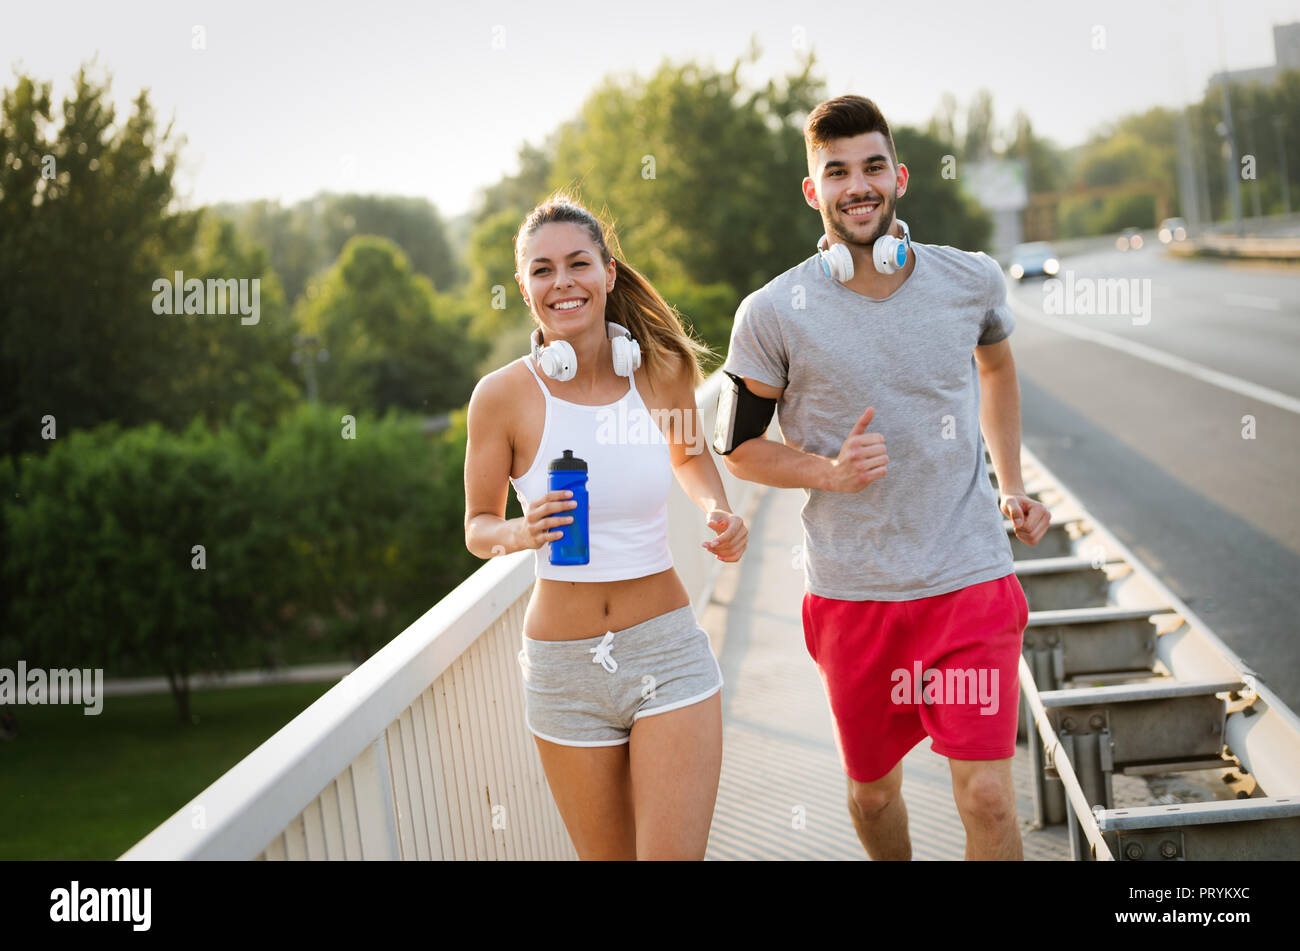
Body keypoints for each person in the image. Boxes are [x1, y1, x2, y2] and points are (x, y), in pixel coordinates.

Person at [717, 95, 1051, 860]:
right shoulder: (771, 313)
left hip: (967, 576)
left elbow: (996, 366)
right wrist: (828, 473)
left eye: (872, 167)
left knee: (991, 798)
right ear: (814, 191)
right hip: (853, 596)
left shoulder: (970, 280)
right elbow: (736, 447)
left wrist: (1011, 481)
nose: (857, 185)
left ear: (898, 176)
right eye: (837, 172)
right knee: (872, 796)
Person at [463, 195, 748, 860]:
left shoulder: (661, 368)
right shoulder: (501, 397)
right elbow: (478, 525)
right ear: (524, 287)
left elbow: (690, 453)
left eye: (577, 263)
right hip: (563, 671)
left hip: (667, 651)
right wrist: (515, 532)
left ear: (608, 273)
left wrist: (716, 508)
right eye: (542, 270)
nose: (561, 281)